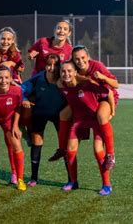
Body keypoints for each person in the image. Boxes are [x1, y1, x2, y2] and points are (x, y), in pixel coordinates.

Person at [49, 46, 118, 169]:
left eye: (83, 58)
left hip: (104, 98)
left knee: (101, 116)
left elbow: (115, 85)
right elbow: (62, 77)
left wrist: (103, 78)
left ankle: (110, 155)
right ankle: (61, 149)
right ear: (73, 60)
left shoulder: (96, 66)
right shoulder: (74, 71)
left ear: (88, 57)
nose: (80, 61)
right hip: (87, 99)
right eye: (77, 59)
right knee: (63, 114)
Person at [58, 61, 113, 196]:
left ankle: (107, 185)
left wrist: (112, 111)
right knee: (70, 150)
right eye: (63, 71)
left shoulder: (87, 83)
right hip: (79, 120)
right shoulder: (61, 85)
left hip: (95, 119)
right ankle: (73, 182)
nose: (66, 74)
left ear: (75, 72)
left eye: (69, 71)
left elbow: (109, 92)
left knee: (97, 150)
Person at [21, 54, 69, 187]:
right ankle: (34, 178)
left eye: (55, 65)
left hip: (60, 114)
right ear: (45, 65)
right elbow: (22, 89)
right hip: (40, 112)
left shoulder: (64, 79)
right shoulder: (39, 78)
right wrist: (24, 99)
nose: (52, 68)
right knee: (37, 141)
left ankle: (71, 179)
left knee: (65, 145)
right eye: (49, 64)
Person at [0, 66, 27, 191]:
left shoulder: (17, 91)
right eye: (0, 77)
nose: (3, 80)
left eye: (6, 77)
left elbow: (18, 108)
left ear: (11, 78)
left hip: (8, 119)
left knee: (16, 144)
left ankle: (19, 178)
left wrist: (15, 125)